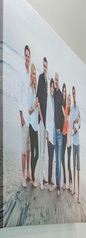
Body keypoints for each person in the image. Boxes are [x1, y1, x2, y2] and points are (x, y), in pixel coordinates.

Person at [20, 46, 32, 187]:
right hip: (24, 119)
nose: (27, 58)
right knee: (23, 150)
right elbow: (19, 96)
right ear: (24, 56)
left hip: (31, 120)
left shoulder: (30, 75)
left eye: (29, 56)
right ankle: (23, 176)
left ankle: (28, 171)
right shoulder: (21, 73)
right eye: (26, 55)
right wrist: (21, 116)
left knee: (28, 149)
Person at [36, 57, 49, 188]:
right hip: (41, 120)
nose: (45, 68)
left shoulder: (47, 81)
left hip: (47, 122)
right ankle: (40, 180)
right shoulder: (40, 78)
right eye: (43, 65)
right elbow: (38, 99)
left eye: (46, 66)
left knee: (44, 150)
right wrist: (41, 117)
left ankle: (43, 175)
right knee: (40, 149)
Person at [27, 64, 40, 188]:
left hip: (36, 126)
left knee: (37, 153)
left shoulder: (36, 90)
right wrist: (35, 105)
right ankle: (33, 178)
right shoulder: (31, 90)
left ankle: (32, 174)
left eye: (36, 74)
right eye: (33, 74)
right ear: (31, 75)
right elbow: (29, 110)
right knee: (34, 152)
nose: (35, 76)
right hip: (31, 126)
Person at [52, 74, 64, 192]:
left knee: (59, 160)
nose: (56, 81)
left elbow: (63, 114)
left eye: (57, 79)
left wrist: (60, 128)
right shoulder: (54, 94)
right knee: (55, 158)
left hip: (59, 133)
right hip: (53, 131)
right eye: (55, 79)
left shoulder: (60, 95)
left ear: (58, 81)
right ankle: (57, 183)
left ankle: (59, 187)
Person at [70, 86, 81, 202]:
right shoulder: (72, 110)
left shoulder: (78, 108)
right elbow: (72, 124)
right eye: (72, 93)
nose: (73, 95)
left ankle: (78, 193)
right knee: (73, 166)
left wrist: (77, 123)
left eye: (74, 93)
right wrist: (75, 122)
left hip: (77, 143)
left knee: (78, 168)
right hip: (72, 142)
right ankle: (73, 188)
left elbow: (79, 125)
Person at [45, 78, 56, 191]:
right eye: (51, 87)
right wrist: (47, 135)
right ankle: (49, 182)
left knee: (52, 159)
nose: (52, 89)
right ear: (50, 88)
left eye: (53, 87)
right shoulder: (48, 99)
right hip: (49, 134)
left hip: (54, 134)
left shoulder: (54, 100)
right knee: (50, 158)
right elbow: (48, 118)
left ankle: (51, 178)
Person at [61, 83, 70, 190]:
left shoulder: (66, 106)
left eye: (64, 91)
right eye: (62, 91)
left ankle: (64, 182)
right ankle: (63, 181)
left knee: (63, 158)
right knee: (61, 158)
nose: (63, 93)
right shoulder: (61, 103)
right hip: (61, 133)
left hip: (65, 135)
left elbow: (67, 119)